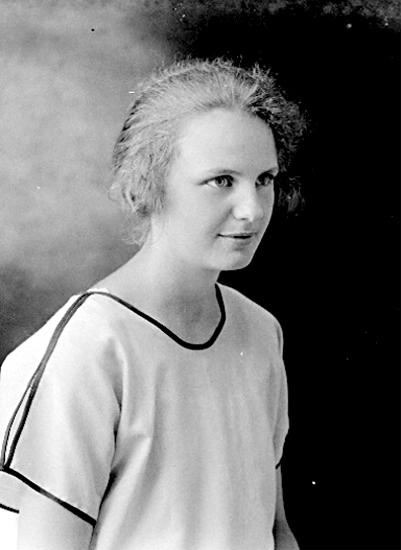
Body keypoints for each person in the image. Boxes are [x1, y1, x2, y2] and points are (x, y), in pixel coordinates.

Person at [0, 58, 305, 550]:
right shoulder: (89, 350)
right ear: (148, 184)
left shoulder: (259, 330)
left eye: (264, 179)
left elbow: (275, 531)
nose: (252, 209)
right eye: (222, 180)